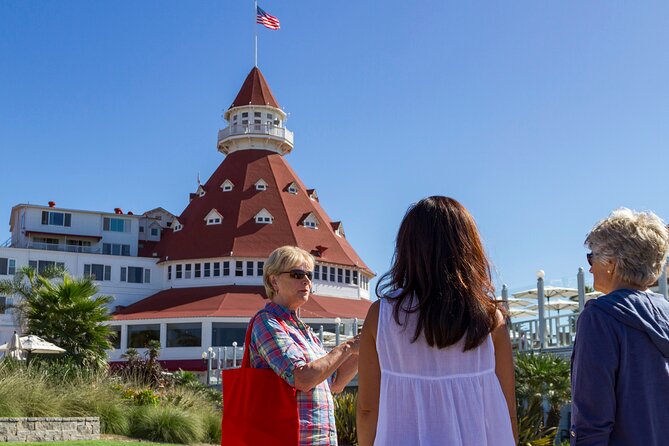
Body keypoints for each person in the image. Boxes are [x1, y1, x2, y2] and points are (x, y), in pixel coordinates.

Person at [356, 196, 517, 446]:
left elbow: (367, 410)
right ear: (469, 246)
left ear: (407, 248)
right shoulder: (490, 318)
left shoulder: (381, 315)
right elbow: (507, 410)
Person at [570, 208, 669, 445]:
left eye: (591, 257)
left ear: (612, 264)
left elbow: (592, 420)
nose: (591, 267)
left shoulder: (600, 317)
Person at [249, 245, 360, 446]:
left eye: (309, 274)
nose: (307, 280)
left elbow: (335, 383)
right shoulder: (266, 322)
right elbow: (301, 378)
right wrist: (347, 347)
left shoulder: (304, 331)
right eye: (297, 274)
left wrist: (363, 347)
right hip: (287, 438)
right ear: (274, 280)